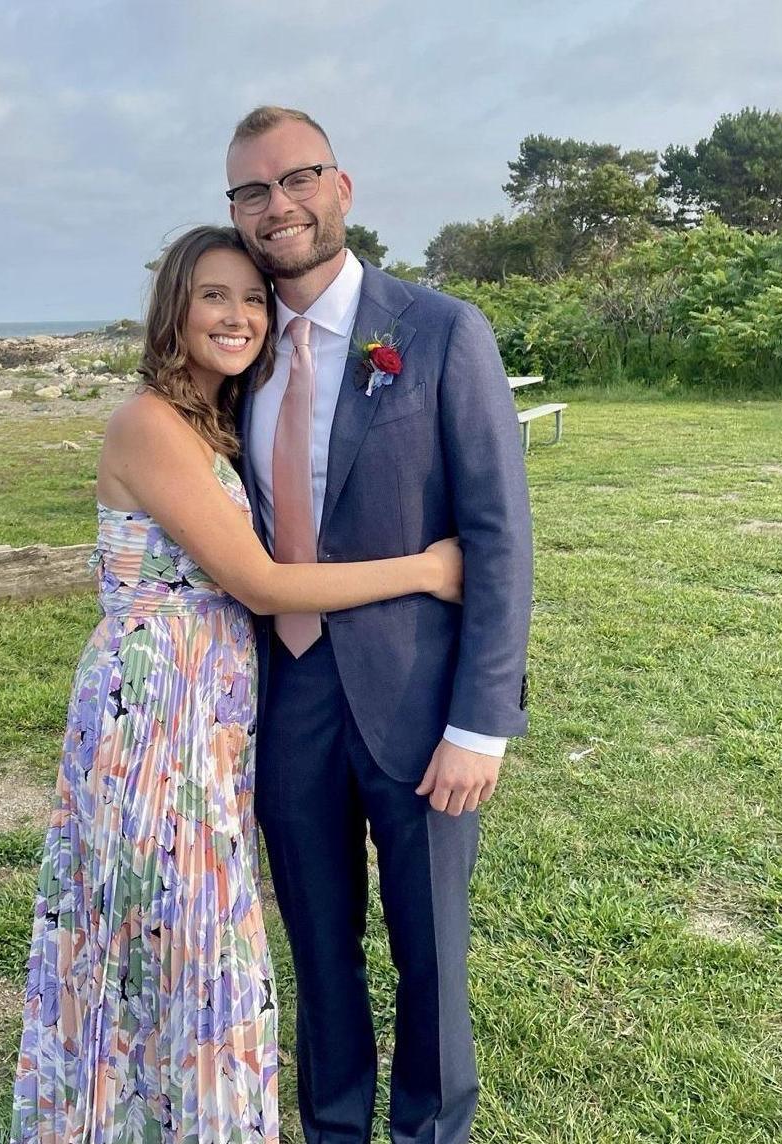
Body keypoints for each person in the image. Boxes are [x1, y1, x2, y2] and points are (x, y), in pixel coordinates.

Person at [9, 224, 464, 1144]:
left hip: (207, 712)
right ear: (173, 307)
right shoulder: (148, 424)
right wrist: (424, 569)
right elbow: (259, 582)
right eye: (214, 295)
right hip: (155, 715)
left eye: (254, 298)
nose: (239, 315)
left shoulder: (213, 419)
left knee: (188, 938)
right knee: (173, 935)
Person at [226, 106, 534, 1143]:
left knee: (430, 952)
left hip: (419, 699)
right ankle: (334, 1127)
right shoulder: (238, 352)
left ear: (342, 188)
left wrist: (481, 723)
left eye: (296, 178)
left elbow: (497, 534)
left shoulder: (439, 330)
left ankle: (429, 1131)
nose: (277, 205)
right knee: (318, 948)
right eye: (252, 191)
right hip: (288, 695)